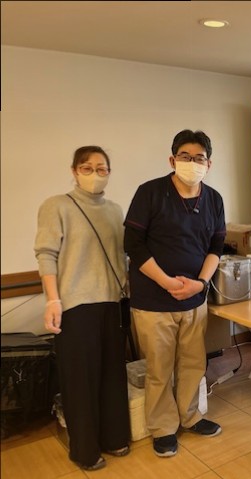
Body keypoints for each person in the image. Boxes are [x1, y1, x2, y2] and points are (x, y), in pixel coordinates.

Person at [124, 129, 226, 457]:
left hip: (195, 298)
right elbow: (133, 245)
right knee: (159, 368)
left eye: (199, 158)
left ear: (208, 164)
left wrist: (201, 283)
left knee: (194, 364)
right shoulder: (150, 193)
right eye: (185, 156)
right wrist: (167, 282)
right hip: (153, 301)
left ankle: (191, 416)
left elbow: (216, 247)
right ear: (172, 160)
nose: (192, 163)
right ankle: (163, 427)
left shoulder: (214, 199)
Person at [34, 146, 130, 471]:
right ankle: (85, 451)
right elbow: (46, 253)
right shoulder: (57, 205)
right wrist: (53, 300)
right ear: (74, 171)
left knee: (113, 375)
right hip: (75, 307)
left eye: (102, 168)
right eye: (87, 168)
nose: (95, 174)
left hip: (112, 303)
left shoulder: (115, 210)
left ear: (109, 173)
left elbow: (122, 257)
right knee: (80, 382)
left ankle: (115, 437)